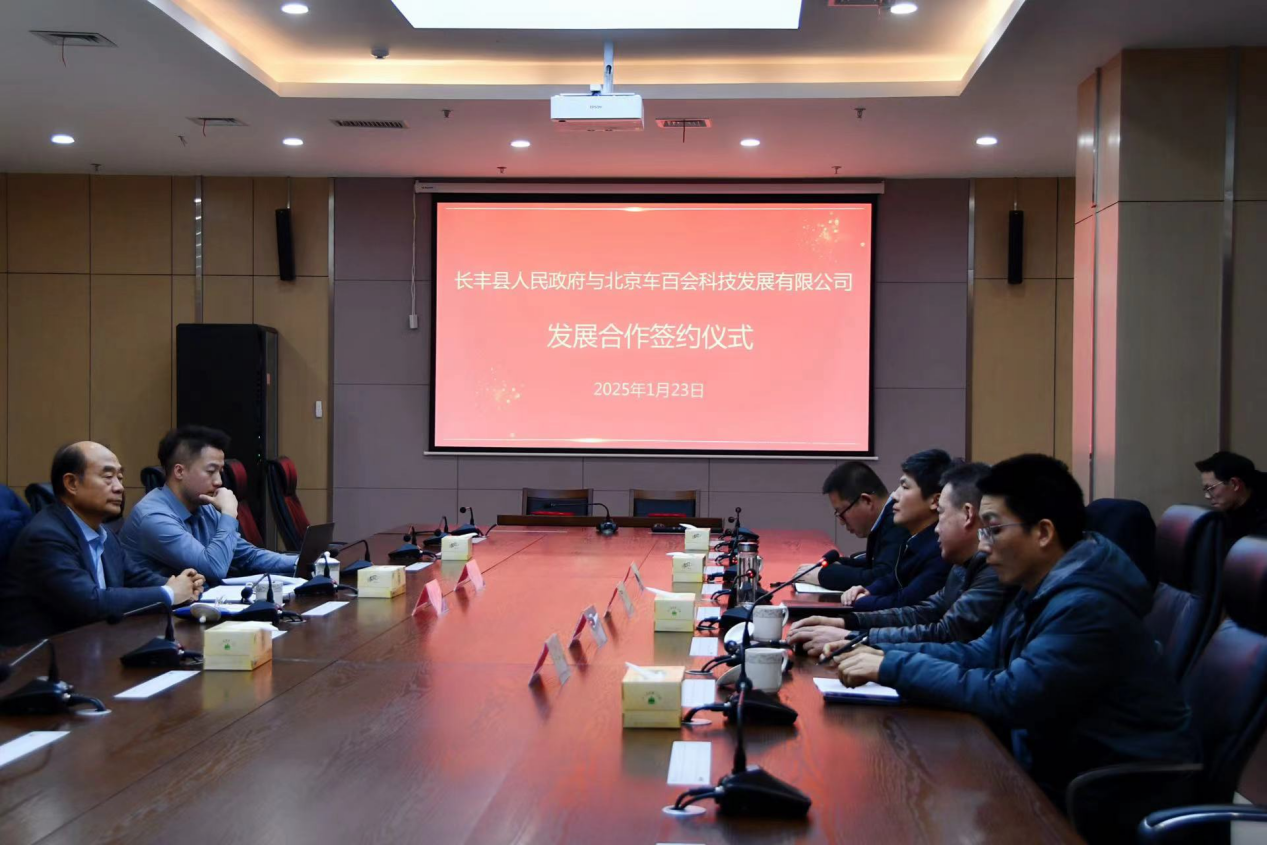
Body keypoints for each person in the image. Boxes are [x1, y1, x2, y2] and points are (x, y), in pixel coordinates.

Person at [833, 454, 1197, 837]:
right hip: (1055, 766)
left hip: (1106, 795)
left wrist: (891, 666)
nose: (983, 546)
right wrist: (880, 654)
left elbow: (1009, 694)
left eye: (992, 530)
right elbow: (981, 653)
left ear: (1043, 533)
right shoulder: (1044, 582)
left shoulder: (1087, 605)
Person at [788, 461, 1014, 655]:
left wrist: (856, 640)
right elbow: (924, 612)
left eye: (942, 513)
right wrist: (845, 623)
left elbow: (945, 633)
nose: (937, 528)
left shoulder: (991, 569)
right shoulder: (962, 564)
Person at [0, 442, 204, 645]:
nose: (119, 487)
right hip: (41, 657)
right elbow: (89, 603)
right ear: (71, 483)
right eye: (108, 477)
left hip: (95, 645)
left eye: (120, 477)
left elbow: (135, 577)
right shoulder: (46, 536)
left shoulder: (103, 533)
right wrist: (169, 593)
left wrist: (184, 585)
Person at [120, 426, 298, 584]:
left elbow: (247, 556)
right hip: (161, 610)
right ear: (179, 471)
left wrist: (302, 561)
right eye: (211, 471)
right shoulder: (154, 517)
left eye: (220, 472)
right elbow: (213, 568)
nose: (219, 481)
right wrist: (228, 514)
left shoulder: (204, 505)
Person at [832, 449, 954, 612]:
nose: (895, 495)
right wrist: (869, 590)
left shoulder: (940, 549)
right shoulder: (916, 539)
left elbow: (906, 603)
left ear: (935, 501)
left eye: (905, 487)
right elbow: (895, 577)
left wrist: (860, 602)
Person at [798, 461, 909, 590]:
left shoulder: (897, 521)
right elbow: (875, 564)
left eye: (842, 513)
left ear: (866, 501)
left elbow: (882, 577)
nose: (841, 522)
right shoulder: (885, 519)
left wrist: (822, 576)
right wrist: (841, 564)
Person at [1195, 450, 1267, 547]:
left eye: (1211, 488)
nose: (1207, 496)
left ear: (1235, 484)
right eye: (1206, 489)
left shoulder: (1262, 522)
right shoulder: (1227, 512)